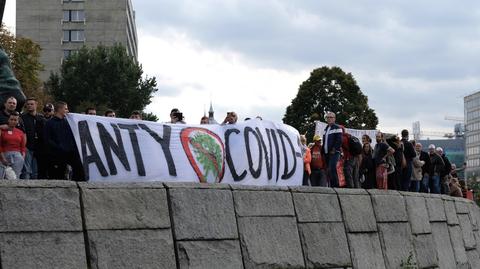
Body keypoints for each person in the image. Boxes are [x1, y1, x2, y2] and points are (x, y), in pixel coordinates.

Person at [44, 101, 85, 181]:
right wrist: (59, 147)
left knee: (79, 171)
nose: (68, 111)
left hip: (70, 153)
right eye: (66, 109)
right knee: (57, 177)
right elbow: (47, 140)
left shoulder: (69, 123)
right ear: (59, 109)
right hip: (56, 156)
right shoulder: (49, 123)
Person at [20, 98, 46, 179]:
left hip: (39, 148)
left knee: (36, 171)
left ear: (36, 104)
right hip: (27, 146)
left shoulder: (41, 118)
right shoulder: (22, 117)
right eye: (28, 104)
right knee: (26, 170)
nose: (29, 106)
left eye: (32, 104)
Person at [0, 111, 26, 178]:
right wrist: (2, 158)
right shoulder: (2, 131)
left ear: (18, 121)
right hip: (4, 155)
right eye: (11, 119)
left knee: (15, 177)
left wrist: (22, 157)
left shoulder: (20, 132)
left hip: (17, 157)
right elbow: (0, 145)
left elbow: (23, 147)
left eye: (15, 120)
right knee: (2, 176)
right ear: (8, 120)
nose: (13, 121)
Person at [322, 112, 342, 187]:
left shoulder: (337, 127)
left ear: (334, 119)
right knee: (329, 171)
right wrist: (322, 152)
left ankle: (336, 186)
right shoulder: (326, 128)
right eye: (328, 117)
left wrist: (334, 149)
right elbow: (324, 142)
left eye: (331, 117)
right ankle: (331, 186)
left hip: (334, 153)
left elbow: (339, 140)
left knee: (332, 169)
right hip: (326, 153)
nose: (329, 119)